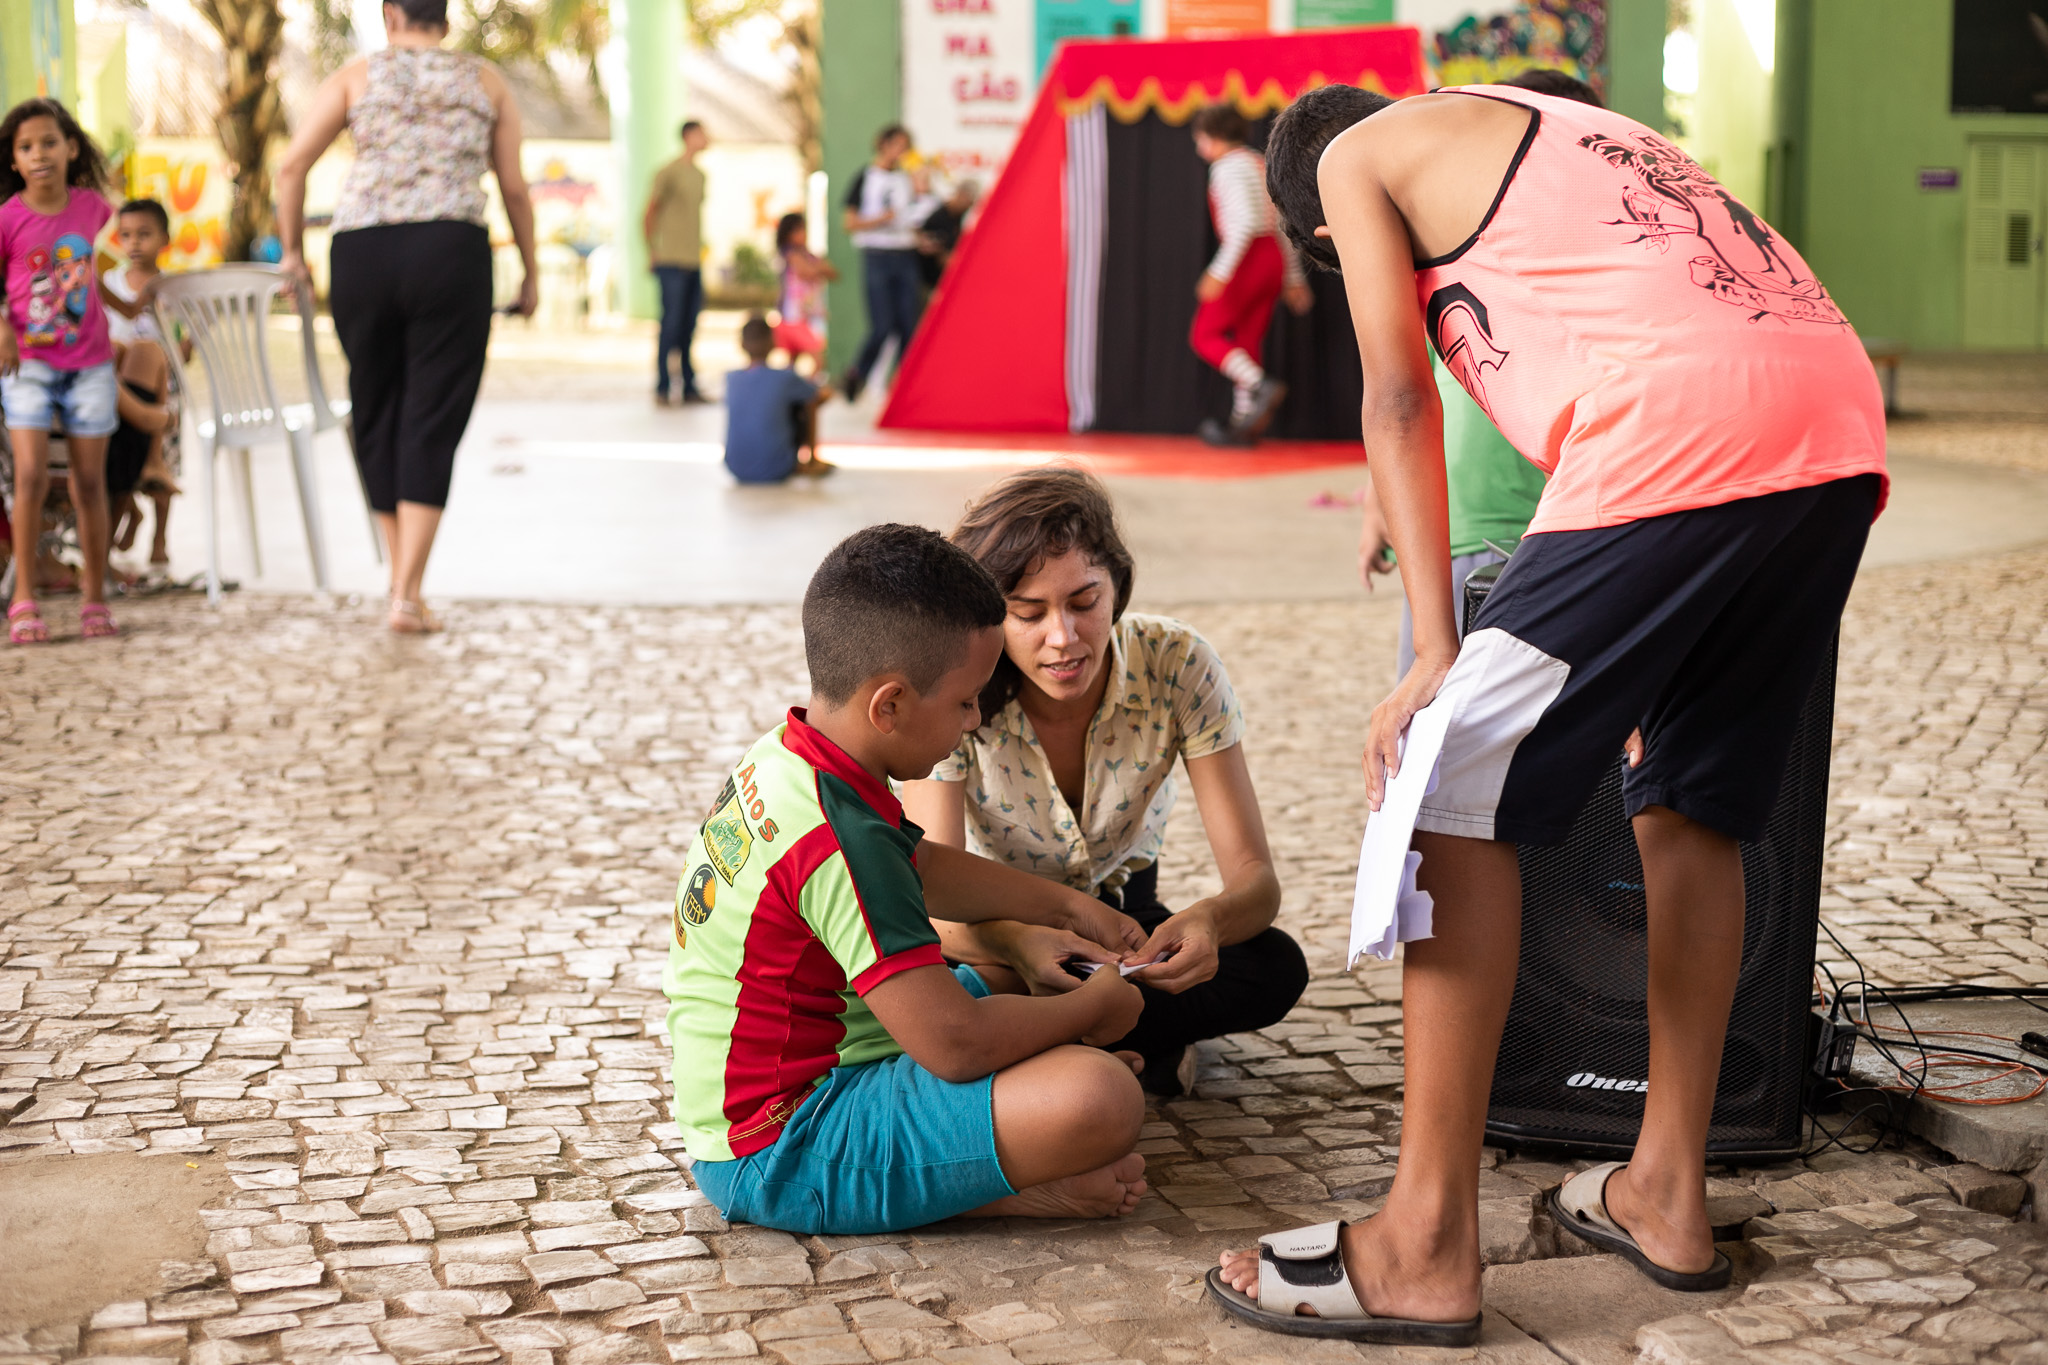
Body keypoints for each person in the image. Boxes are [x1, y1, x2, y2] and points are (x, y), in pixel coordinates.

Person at [1207, 80, 1886, 1344]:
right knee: (1689, 805)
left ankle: (1418, 1243)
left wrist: (1433, 659)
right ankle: (1664, 1195)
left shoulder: (1352, 161)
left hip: (1683, 426)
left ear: (1316, 236)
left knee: (1445, 776)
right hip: (1831, 422)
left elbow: (1396, 400)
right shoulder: (1544, 125)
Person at [666, 523, 1157, 1234]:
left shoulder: (797, 755)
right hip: (777, 1143)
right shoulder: (838, 835)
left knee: (1019, 976)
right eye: (964, 701)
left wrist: (1068, 908)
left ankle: (981, 1157)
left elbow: (915, 866)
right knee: (1100, 1097)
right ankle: (994, 1190)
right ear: (888, 705)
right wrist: (1092, 1012)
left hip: (830, 1060)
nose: (975, 718)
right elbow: (954, 1044)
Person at [903, 468, 1308, 1097]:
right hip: (994, 933)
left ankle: (1060, 1046)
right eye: (1027, 614)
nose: (1062, 638)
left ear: (1118, 586)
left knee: (1275, 967)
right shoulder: (958, 691)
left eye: (1084, 603)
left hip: (1125, 922)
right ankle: (1124, 1041)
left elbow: (1256, 882)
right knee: (945, 999)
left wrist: (1209, 923)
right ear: (988, 619)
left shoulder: (1177, 663)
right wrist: (1014, 942)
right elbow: (927, 905)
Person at [276, 0, 538, 635]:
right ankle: (406, 592)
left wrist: (291, 254)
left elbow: (290, 167)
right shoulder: (484, 81)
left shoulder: (356, 76)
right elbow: (514, 186)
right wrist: (531, 269)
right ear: (443, 22)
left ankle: (402, 585)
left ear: (389, 16)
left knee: (376, 408)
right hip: (450, 252)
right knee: (432, 412)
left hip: (363, 251)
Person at [1356, 70, 1600, 673]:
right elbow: (1404, 395)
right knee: (1433, 704)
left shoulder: (1578, 277)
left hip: (1539, 532)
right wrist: (1376, 510)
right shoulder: (1450, 261)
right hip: (1443, 531)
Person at [0, 99, 126, 643]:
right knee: (28, 476)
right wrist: (3, 327)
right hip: (28, 362)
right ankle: (24, 595)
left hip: (90, 363)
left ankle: (94, 597)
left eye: (49, 142)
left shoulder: (94, 208)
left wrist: (128, 307)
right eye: (26, 147)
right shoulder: (6, 218)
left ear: (71, 148)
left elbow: (97, 272)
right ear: (13, 160)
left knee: (89, 482)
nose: (39, 154)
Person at [1188, 105, 1312, 449]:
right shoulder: (1259, 163)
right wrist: (1292, 277)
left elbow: (1242, 225)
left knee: (1205, 335)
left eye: (1200, 139)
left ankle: (1259, 386)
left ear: (1211, 139)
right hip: (1271, 258)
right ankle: (1243, 426)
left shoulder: (1226, 167)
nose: (1200, 148)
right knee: (1247, 341)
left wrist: (1219, 272)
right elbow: (1282, 225)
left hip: (1247, 260)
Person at [103, 198, 183, 575]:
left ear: (164, 238)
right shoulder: (109, 283)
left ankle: (160, 539)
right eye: (127, 235)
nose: (135, 243)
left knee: (164, 468)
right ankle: (129, 515)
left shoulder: (173, 289)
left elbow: (185, 345)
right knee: (124, 456)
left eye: (145, 235)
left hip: (165, 386)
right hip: (123, 384)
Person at [839, 125, 935, 403]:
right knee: (882, 326)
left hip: (905, 255)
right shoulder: (866, 177)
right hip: (877, 256)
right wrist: (882, 218)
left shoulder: (906, 178)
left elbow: (912, 214)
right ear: (884, 144)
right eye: (898, 145)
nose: (902, 152)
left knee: (909, 325)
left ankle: (905, 386)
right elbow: (850, 223)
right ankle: (857, 374)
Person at [724, 313, 833, 484]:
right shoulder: (785, 378)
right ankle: (811, 461)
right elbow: (822, 395)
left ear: (741, 344)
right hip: (778, 468)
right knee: (808, 401)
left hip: (736, 468)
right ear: (773, 343)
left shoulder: (731, 379)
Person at [645, 120, 709, 405]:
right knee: (670, 324)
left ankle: (688, 386)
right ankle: (662, 385)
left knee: (689, 325)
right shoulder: (668, 172)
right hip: (670, 260)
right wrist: (652, 250)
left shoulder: (700, 175)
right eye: (701, 133)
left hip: (693, 259)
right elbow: (650, 211)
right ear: (688, 136)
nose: (707, 138)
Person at [773, 212, 835, 377]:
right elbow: (806, 271)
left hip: (807, 315)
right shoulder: (790, 254)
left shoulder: (807, 254)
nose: (803, 234)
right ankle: (805, 394)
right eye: (798, 230)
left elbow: (832, 273)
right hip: (794, 316)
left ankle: (792, 393)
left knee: (793, 363)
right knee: (818, 361)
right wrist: (818, 268)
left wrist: (817, 268)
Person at [914, 179, 978, 290]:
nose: (969, 206)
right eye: (968, 202)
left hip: (949, 282)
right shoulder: (937, 217)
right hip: (931, 281)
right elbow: (940, 255)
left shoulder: (961, 218)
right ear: (961, 195)